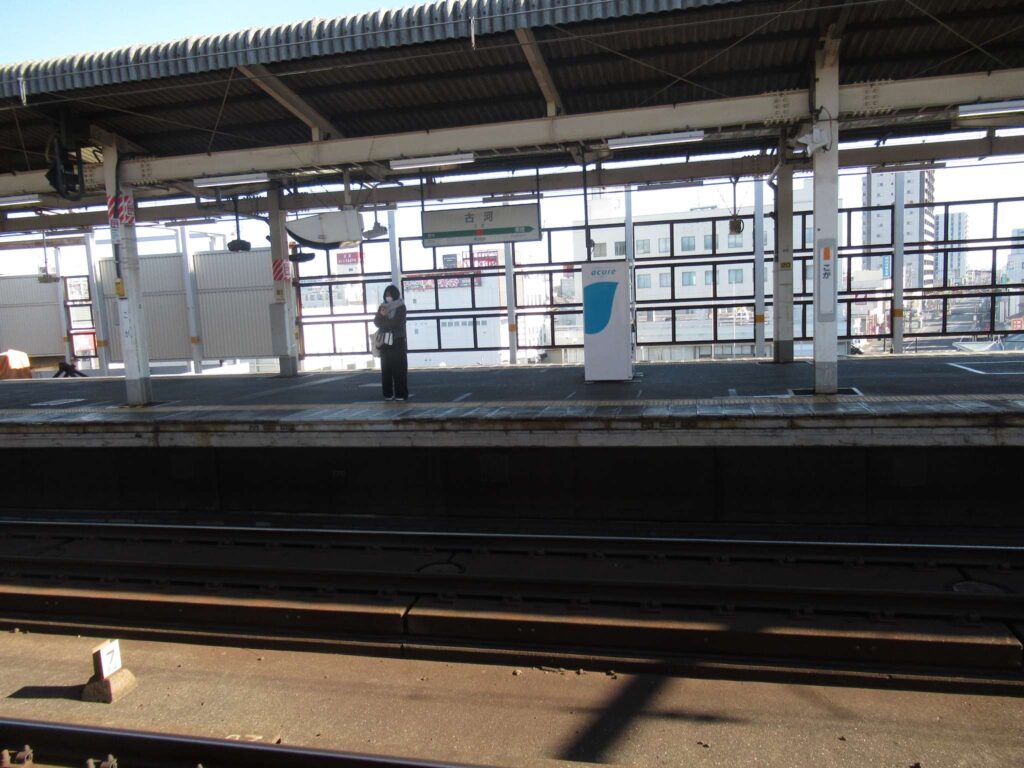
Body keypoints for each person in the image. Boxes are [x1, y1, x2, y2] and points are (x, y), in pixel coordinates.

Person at [374, 284, 408, 401]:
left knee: (399, 368)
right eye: (386, 294)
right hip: (385, 342)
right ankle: (387, 394)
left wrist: (384, 322)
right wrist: (381, 315)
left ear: (394, 294)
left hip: (397, 341)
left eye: (389, 294)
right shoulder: (382, 307)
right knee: (386, 368)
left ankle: (400, 394)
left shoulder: (401, 306)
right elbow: (376, 322)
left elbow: (397, 322)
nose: (387, 296)